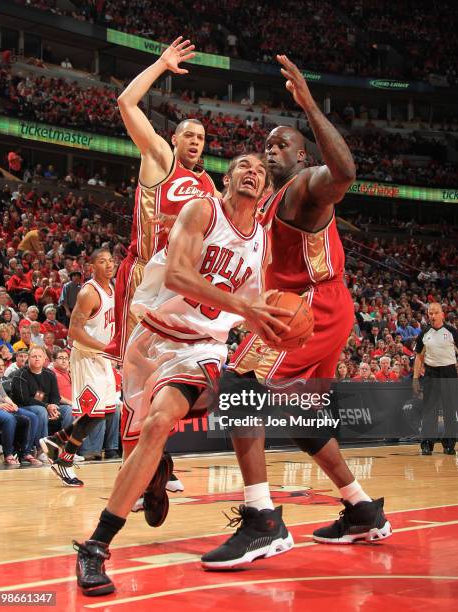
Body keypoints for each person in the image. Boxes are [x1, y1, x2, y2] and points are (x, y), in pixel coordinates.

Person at [73, 153, 293, 596]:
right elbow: (176, 275)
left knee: (159, 423)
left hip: (201, 347)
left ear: (265, 190)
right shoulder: (203, 210)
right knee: (139, 446)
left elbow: (249, 307)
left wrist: (278, 324)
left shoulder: (261, 241)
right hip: (150, 340)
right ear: (227, 179)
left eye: (262, 172)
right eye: (245, 166)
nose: (254, 172)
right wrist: (246, 308)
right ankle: (156, 475)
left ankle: (95, 547)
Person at [202, 55, 391, 570]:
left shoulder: (305, 187)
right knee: (304, 418)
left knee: (240, 385)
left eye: (281, 144)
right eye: (267, 145)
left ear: (303, 154)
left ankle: (263, 520)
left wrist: (308, 104)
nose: (270, 149)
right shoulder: (266, 206)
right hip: (317, 308)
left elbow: (346, 172)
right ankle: (361, 510)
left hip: (310, 306)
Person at [103, 37, 218, 488]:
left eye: (202, 137)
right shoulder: (161, 160)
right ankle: (132, 471)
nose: (195, 140)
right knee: (137, 377)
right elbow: (126, 102)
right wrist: (162, 64)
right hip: (143, 278)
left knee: (167, 376)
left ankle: (155, 462)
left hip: (179, 289)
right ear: (174, 137)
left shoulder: (209, 184)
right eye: (188, 133)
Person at [40, 249, 116, 486]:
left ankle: (57, 439)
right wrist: (107, 347)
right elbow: (74, 332)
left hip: (102, 357)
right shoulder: (88, 292)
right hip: (86, 357)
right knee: (93, 414)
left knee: (107, 411)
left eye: (111, 260)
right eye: (102, 261)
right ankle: (64, 461)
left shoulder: (112, 289)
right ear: (91, 267)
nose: (109, 265)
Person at [10, 345, 73, 462]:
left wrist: (53, 406)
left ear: (45, 359)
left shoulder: (49, 374)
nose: (37, 359)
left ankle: (68, 450)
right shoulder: (20, 375)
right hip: (25, 407)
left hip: (48, 406)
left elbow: (55, 396)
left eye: (40, 356)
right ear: (28, 358)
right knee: (41, 411)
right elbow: (23, 399)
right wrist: (47, 406)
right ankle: (42, 450)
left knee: (69, 410)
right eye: (34, 356)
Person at [413, 302, 458, 455]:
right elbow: (419, 357)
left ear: (442, 314)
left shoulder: (452, 331)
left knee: (450, 410)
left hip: (449, 372)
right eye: (430, 313)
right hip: (431, 373)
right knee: (429, 410)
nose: (432, 316)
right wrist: (415, 378)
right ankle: (427, 443)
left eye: (435, 313)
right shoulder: (424, 333)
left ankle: (449, 443)